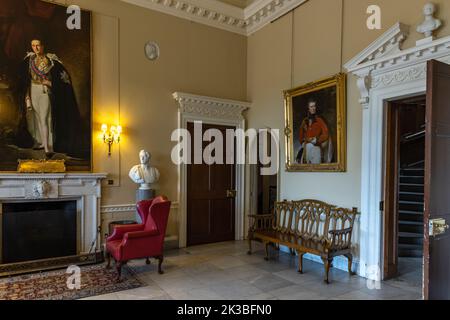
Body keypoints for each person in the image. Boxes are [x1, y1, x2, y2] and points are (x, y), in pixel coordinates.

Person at [16, 38, 81, 156]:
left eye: (38, 45)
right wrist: (26, 95)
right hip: (33, 90)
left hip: (44, 92)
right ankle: (42, 142)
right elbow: (24, 79)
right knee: (37, 118)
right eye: (33, 45)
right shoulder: (29, 60)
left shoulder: (51, 61)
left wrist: (51, 83)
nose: (35, 48)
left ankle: (47, 148)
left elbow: (62, 80)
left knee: (44, 118)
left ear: (43, 46)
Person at [297, 98, 331, 164]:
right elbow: (301, 137)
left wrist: (316, 140)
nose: (313, 108)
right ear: (308, 108)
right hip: (306, 149)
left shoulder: (320, 120)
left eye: (314, 106)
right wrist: (304, 142)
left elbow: (326, 134)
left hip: (316, 147)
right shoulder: (304, 121)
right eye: (311, 106)